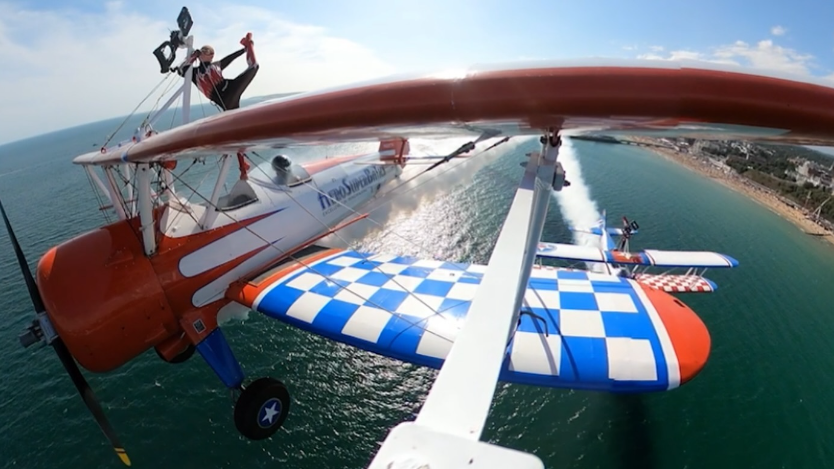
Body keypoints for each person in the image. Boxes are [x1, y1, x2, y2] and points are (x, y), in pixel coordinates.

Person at [178, 33, 259, 111]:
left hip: (231, 87)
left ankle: (249, 43)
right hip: (224, 100)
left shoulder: (216, 65)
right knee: (232, 111)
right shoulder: (195, 73)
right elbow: (181, 70)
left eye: (206, 51)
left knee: (254, 66)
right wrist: (193, 56)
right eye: (202, 50)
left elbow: (230, 58)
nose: (202, 52)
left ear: (211, 55)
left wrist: (245, 49)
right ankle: (248, 44)